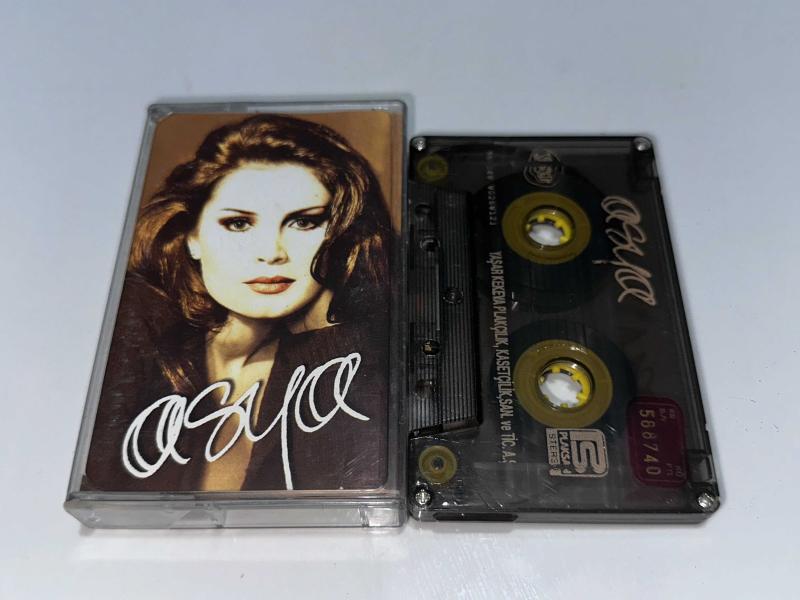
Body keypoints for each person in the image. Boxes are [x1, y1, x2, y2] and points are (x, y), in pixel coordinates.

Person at [84, 114, 393, 493]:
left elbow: (341, 496)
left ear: (341, 234)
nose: (271, 252)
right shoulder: (133, 323)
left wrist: (328, 330)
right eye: (238, 224)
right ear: (191, 237)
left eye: (303, 222)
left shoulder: (353, 353)